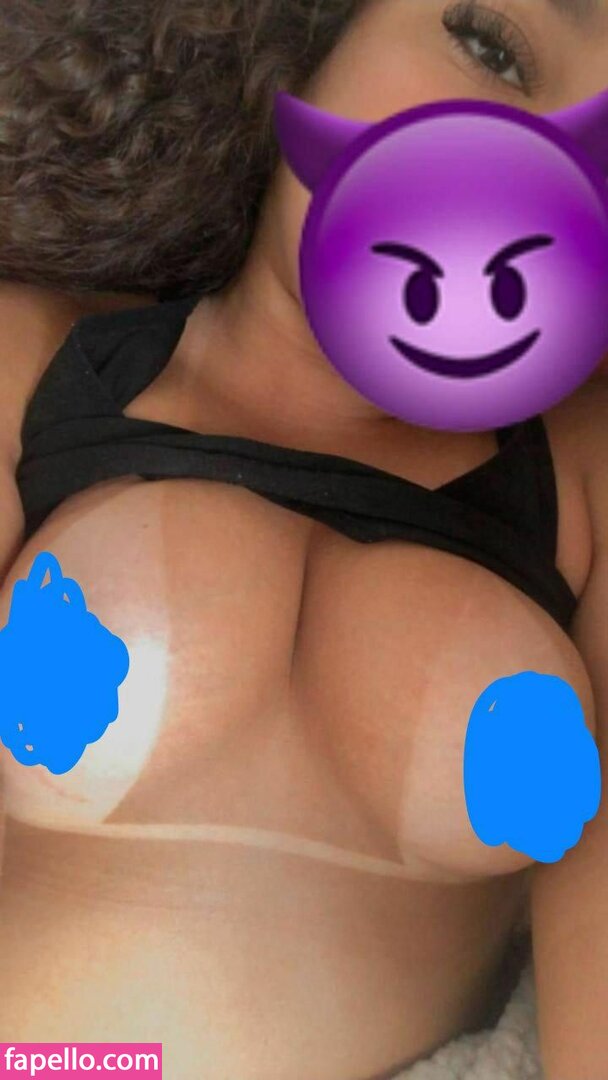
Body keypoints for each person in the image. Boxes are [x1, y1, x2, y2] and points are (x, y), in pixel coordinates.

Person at [0, 1, 607, 1076]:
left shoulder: (585, 469)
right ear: (305, 34)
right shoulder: (33, 355)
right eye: (490, 47)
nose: (530, 169)